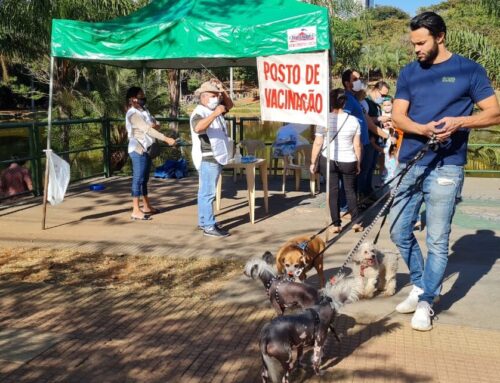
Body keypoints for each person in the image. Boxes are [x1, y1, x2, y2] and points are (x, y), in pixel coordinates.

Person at [390, 11, 500, 331]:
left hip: (447, 167)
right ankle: (421, 283)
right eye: (413, 43)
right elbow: (398, 116)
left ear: (440, 37)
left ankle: (426, 300)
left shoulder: (469, 70)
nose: (416, 49)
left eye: (421, 42)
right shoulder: (410, 72)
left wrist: (459, 122)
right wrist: (422, 130)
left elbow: (494, 113)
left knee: (438, 240)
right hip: (410, 161)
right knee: (398, 230)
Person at [310, 88, 363, 234]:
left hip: (330, 160)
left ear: (330, 103)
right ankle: (356, 221)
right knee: (350, 190)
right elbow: (357, 145)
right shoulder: (353, 121)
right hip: (349, 160)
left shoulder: (323, 120)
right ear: (344, 103)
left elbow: (318, 143)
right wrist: (358, 162)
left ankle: (336, 224)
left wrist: (313, 162)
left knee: (333, 191)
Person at [190, 79, 234, 238]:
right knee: (208, 194)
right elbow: (198, 127)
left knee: (204, 193)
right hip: (208, 157)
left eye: (218, 95)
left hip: (217, 156)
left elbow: (229, 105)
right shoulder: (199, 112)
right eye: (213, 95)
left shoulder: (215, 108)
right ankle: (209, 226)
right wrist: (215, 114)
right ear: (203, 97)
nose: (217, 98)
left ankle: (204, 221)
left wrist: (223, 89)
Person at [342, 71, 392, 205]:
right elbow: (368, 124)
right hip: (356, 144)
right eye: (355, 79)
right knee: (355, 177)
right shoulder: (348, 100)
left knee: (364, 173)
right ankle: (348, 206)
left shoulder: (356, 101)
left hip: (363, 143)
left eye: (360, 79)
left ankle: (358, 200)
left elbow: (368, 121)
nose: (359, 81)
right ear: (347, 83)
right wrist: (388, 136)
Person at [125, 86, 176, 220]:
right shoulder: (132, 113)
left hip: (147, 148)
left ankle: (146, 206)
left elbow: (154, 124)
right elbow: (148, 129)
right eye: (140, 96)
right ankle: (135, 210)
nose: (143, 98)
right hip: (138, 149)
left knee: (144, 179)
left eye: (143, 95)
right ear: (132, 99)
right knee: (138, 179)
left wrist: (154, 126)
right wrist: (166, 139)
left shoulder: (144, 110)